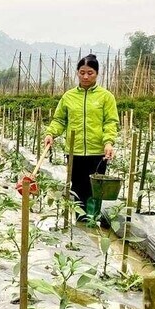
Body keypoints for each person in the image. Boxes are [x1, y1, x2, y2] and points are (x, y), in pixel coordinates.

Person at [44, 54, 119, 214]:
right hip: (74, 151)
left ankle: (92, 221)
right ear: (77, 72)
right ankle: (80, 223)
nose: (85, 76)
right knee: (77, 189)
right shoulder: (68, 96)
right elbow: (59, 120)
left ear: (97, 74)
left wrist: (108, 142)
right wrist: (51, 133)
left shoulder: (106, 97)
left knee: (95, 191)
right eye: (82, 72)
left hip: (98, 152)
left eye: (90, 73)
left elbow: (110, 122)